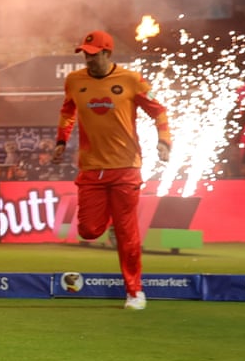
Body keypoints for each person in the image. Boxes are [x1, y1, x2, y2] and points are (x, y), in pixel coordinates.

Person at [52, 29, 170, 311]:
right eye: (85, 54)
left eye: (93, 55)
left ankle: (135, 292)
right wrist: (60, 141)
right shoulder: (74, 81)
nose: (88, 60)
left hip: (125, 167)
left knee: (128, 232)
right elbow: (68, 111)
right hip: (91, 168)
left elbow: (159, 110)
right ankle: (114, 222)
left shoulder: (131, 80)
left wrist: (164, 141)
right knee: (89, 230)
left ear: (107, 53)